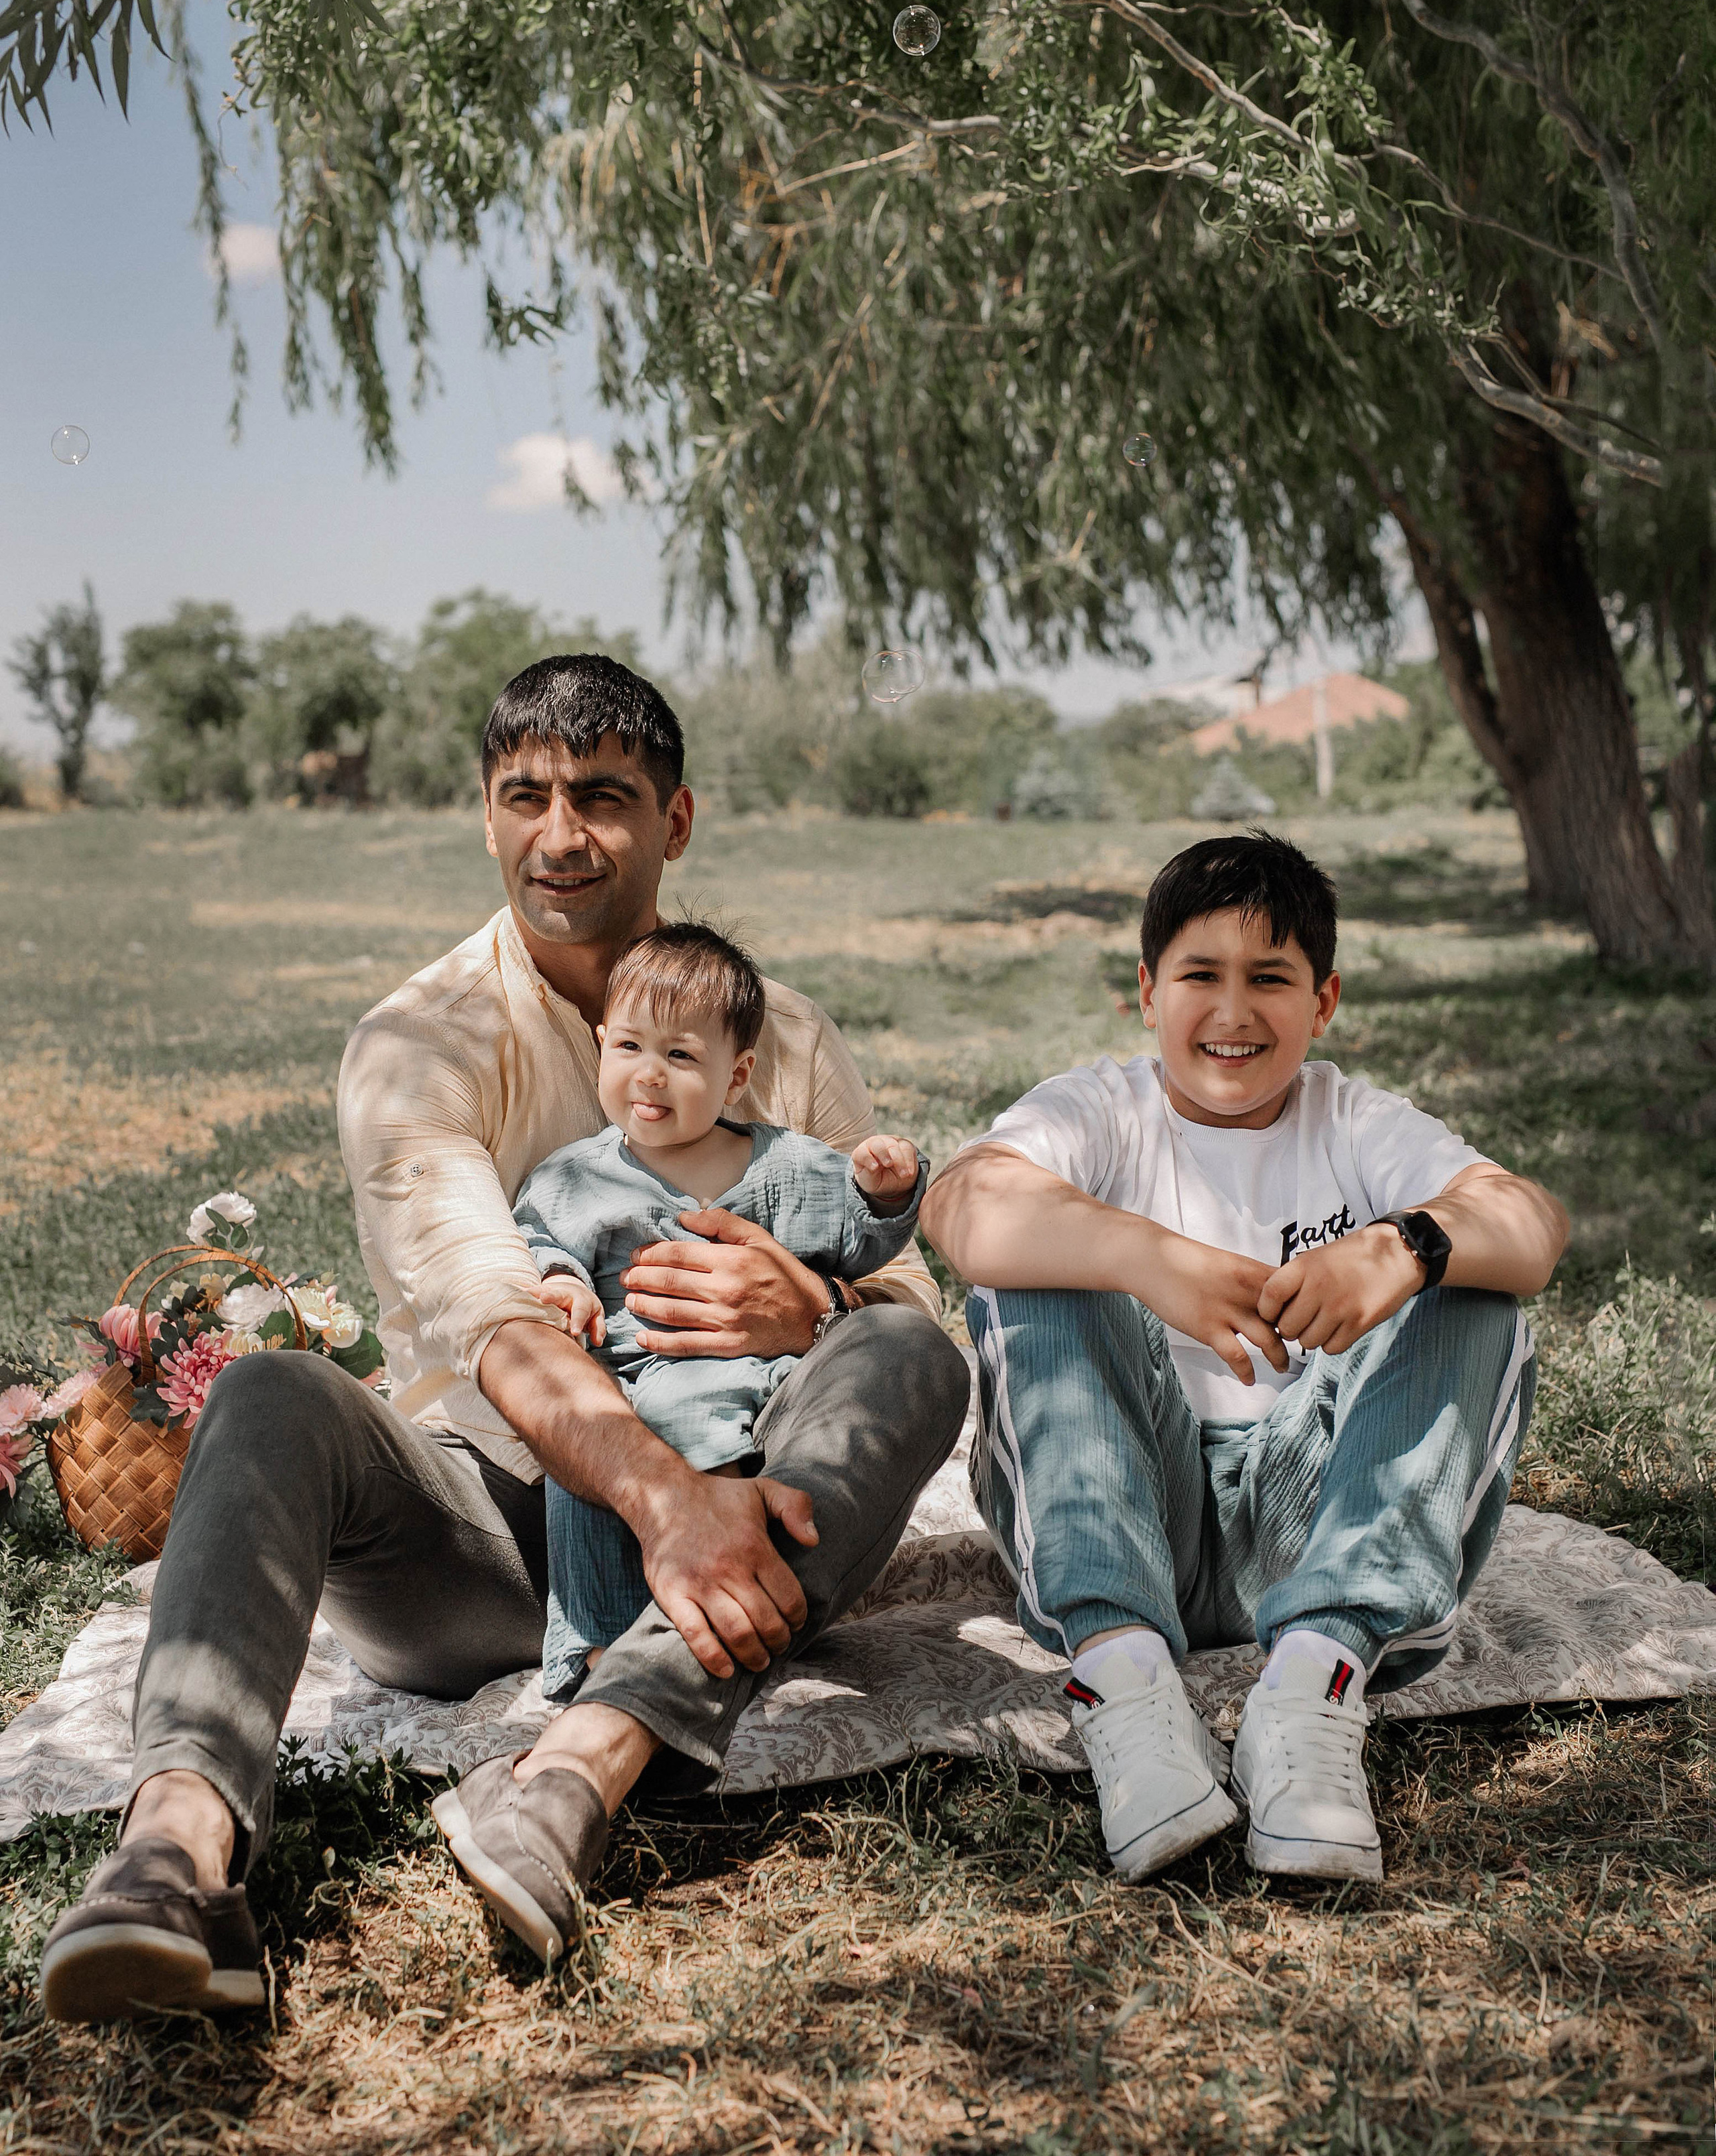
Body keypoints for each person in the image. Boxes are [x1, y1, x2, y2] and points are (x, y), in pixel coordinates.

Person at [40, 655, 968, 2020]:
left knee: (910, 1359)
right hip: (484, 1532)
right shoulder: (416, 1041)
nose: (560, 833)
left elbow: (901, 1307)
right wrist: (665, 1504)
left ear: (677, 819)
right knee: (275, 1394)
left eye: (602, 795)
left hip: (745, 1480)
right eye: (524, 795)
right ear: (485, 816)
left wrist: (814, 1304)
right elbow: (488, 1314)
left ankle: (564, 1780)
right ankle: (173, 1855)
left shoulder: (789, 1038)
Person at [920, 830, 1567, 1887]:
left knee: (1476, 1285)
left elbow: (1533, 1220)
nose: (1231, 1013)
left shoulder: (1351, 1117)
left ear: (1324, 1002)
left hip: (1309, 1518)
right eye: (1200, 976)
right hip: (1133, 1504)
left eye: (1270, 978)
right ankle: (1126, 1688)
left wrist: (1403, 1247)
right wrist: (1145, 1256)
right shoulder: (1102, 1107)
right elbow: (958, 1203)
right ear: (1146, 989)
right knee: (1031, 1259)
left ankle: (1310, 1695)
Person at [505, 919, 925, 1706]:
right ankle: (595, 1645)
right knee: (580, 1474)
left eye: (681, 1055)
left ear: (736, 1077)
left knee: (701, 1408)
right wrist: (562, 1280)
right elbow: (537, 1238)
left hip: (754, 1386)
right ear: (601, 1044)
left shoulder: (781, 1164)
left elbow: (857, 1237)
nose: (649, 1076)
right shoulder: (575, 1177)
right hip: (623, 1387)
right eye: (628, 1047)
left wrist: (883, 1191)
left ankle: (731, 1592)